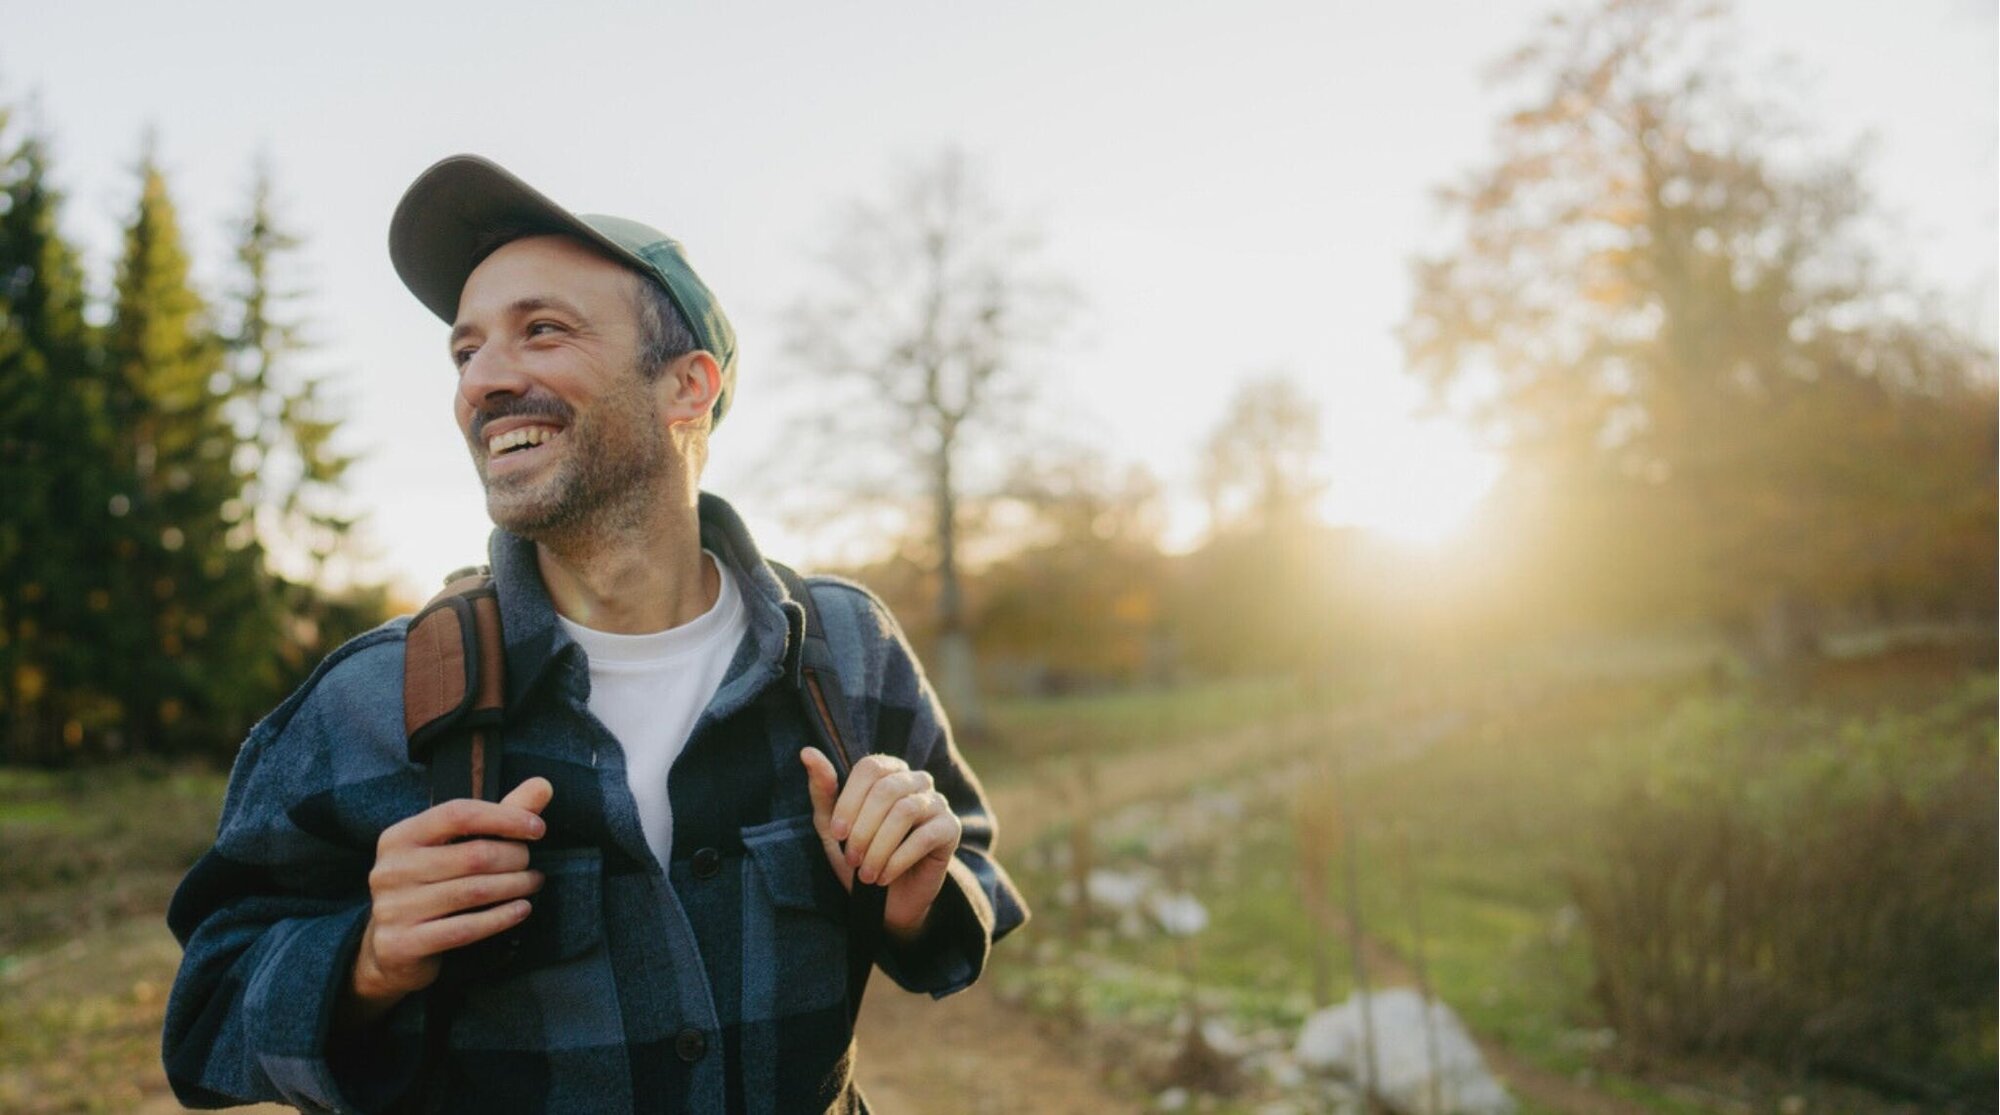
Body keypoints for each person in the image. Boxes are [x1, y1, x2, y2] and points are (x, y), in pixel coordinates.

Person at [162, 154, 1028, 1114]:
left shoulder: (847, 650)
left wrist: (920, 894)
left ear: (687, 386)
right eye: (465, 350)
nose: (484, 381)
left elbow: (972, 861)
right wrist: (365, 958)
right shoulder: (371, 698)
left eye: (541, 330)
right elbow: (206, 1016)